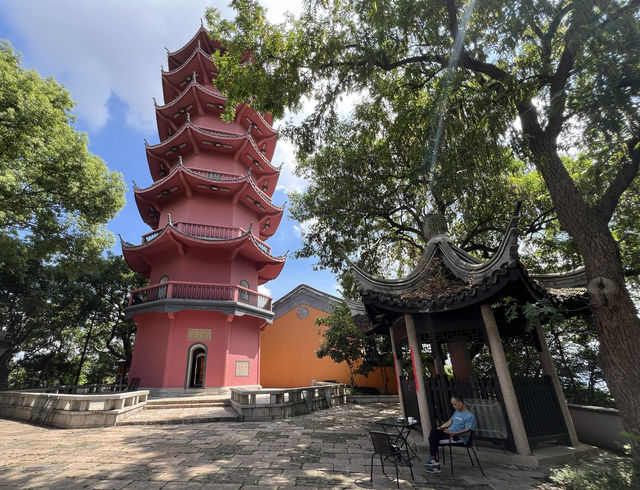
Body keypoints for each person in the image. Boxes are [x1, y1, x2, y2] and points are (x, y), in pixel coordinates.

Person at [425, 394, 477, 473]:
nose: (453, 406)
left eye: (454, 404)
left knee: (433, 440)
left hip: (458, 437)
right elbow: (449, 422)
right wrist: (440, 428)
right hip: (449, 433)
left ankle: (435, 464)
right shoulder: (457, 412)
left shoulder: (470, 416)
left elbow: (467, 432)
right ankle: (433, 459)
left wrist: (454, 433)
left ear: (460, 403)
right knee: (434, 432)